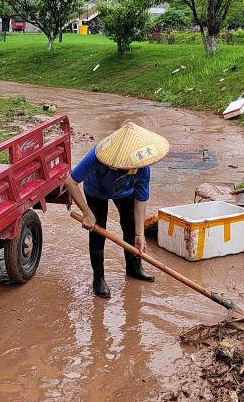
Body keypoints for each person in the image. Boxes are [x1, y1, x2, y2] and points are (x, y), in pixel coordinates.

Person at [65, 122, 169, 298]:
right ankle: (99, 278)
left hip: (125, 191)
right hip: (96, 191)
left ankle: (134, 267)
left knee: (130, 227)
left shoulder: (142, 166)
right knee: (98, 231)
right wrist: (87, 213)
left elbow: (141, 199)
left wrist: (140, 234)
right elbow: (70, 182)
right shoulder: (98, 155)